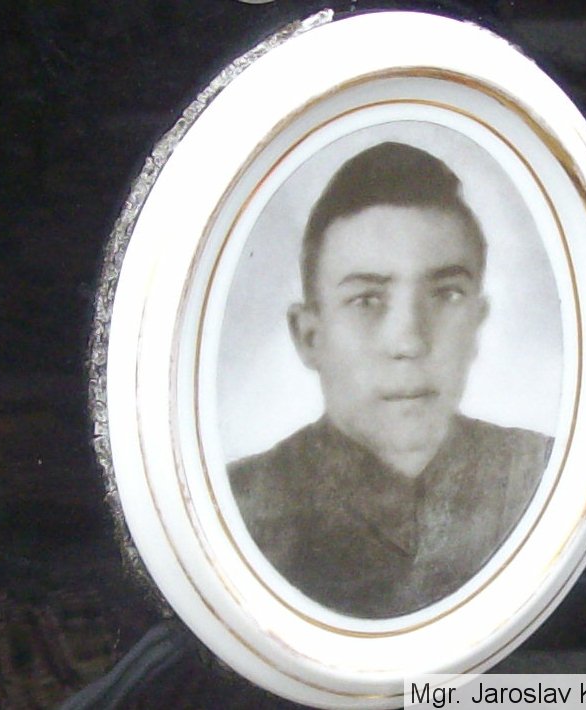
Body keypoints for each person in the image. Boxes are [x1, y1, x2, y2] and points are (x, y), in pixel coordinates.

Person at [229, 142, 552, 618]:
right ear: (309, 336)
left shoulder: (544, 475)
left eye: (446, 294)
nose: (409, 342)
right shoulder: (238, 509)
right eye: (367, 300)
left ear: (477, 321)